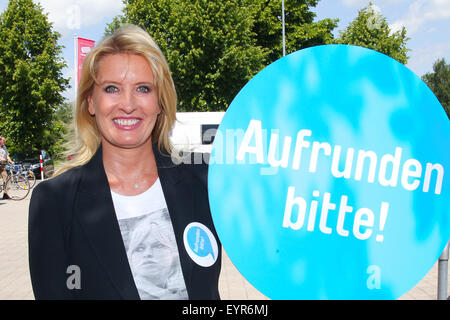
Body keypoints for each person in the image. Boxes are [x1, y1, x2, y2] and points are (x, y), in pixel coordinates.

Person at [28, 25, 221, 300]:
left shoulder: (204, 180)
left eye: (143, 88)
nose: (128, 104)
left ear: (160, 102)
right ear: (91, 102)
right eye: (112, 89)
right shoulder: (54, 201)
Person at [0, 135, 14, 200]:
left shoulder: (4, 147)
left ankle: (5, 194)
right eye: (3, 140)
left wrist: (10, 161)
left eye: (4, 140)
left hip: (2, 166)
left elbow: (7, 155)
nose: (4, 141)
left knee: (6, 179)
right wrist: (2, 159)